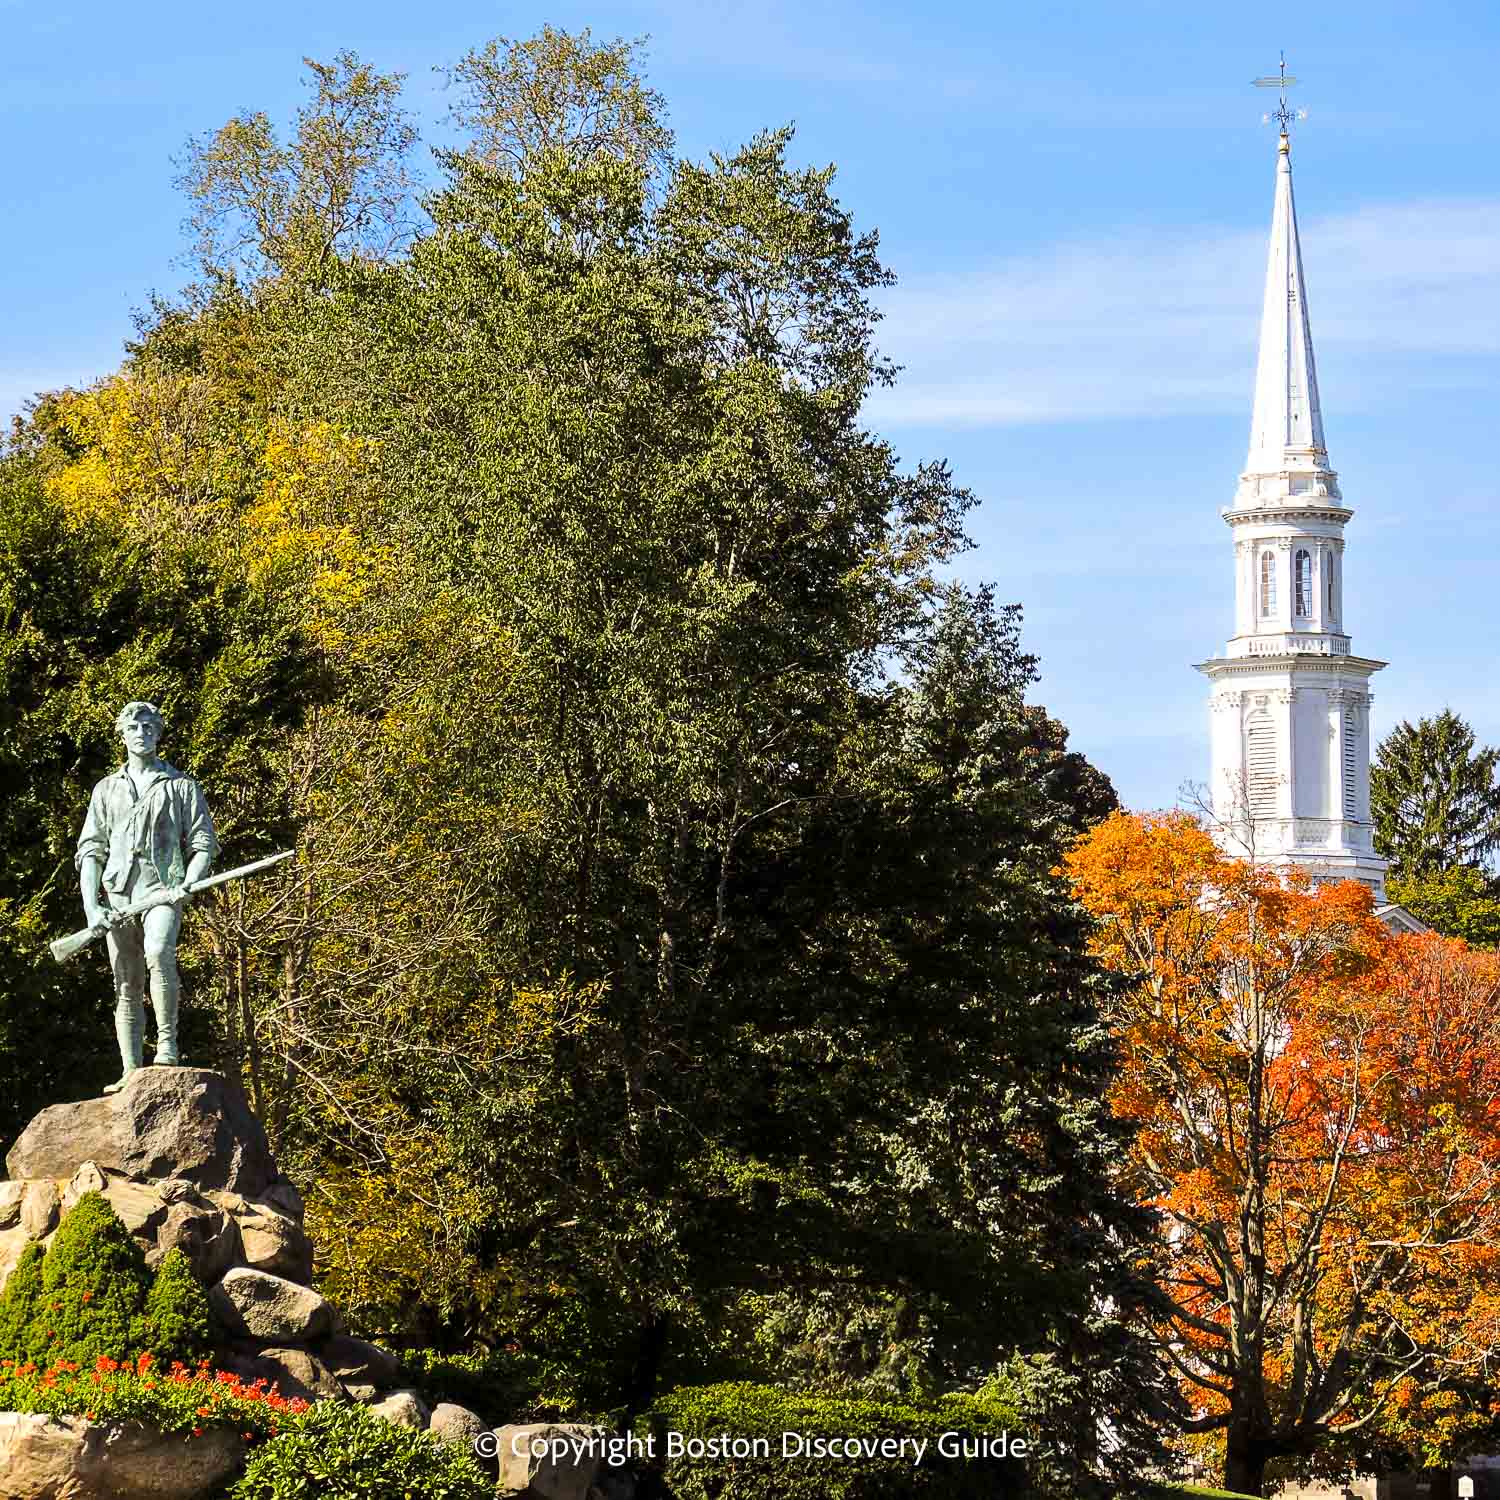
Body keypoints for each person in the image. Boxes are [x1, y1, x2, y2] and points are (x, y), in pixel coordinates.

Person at [75, 702, 219, 1092]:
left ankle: (168, 1046)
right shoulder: (106, 789)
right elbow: (91, 851)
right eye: (134, 727)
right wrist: (93, 906)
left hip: (163, 889)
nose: (142, 733)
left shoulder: (181, 786)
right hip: (119, 895)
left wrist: (189, 880)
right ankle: (130, 1069)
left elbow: (203, 842)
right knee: (126, 980)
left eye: (150, 727)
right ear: (122, 734)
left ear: (158, 733)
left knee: (158, 952)